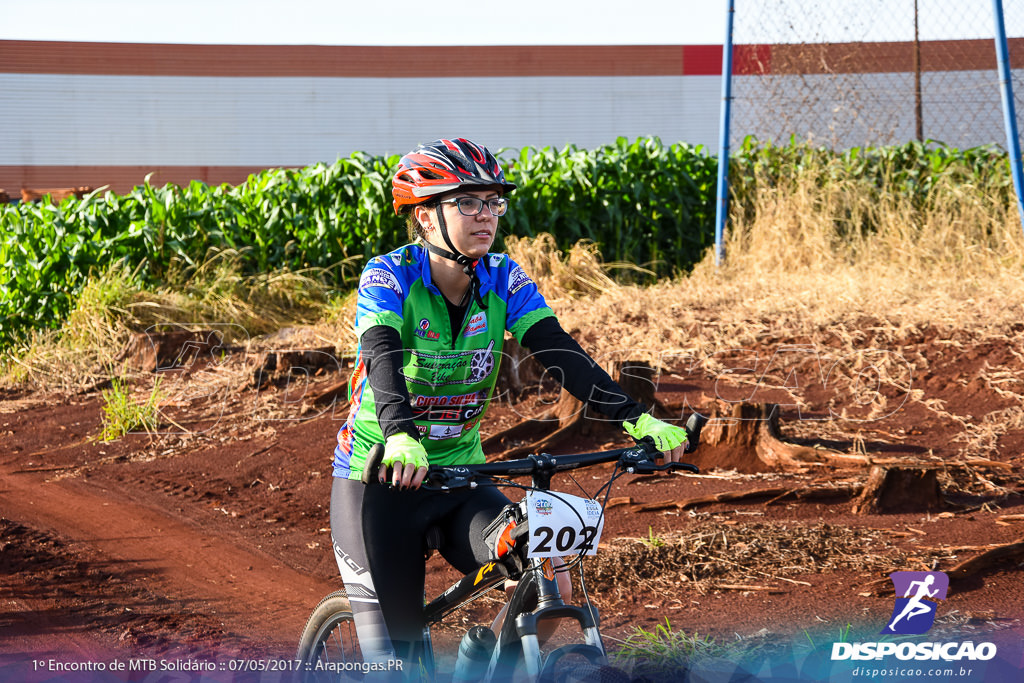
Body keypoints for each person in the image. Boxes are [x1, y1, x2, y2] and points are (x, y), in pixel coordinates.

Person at [329, 137, 689, 670]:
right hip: (379, 479)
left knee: (547, 564)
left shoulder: (504, 277)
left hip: (461, 478)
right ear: (426, 217)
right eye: (467, 202)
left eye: (493, 202)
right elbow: (380, 355)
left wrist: (634, 418)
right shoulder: (389, 276)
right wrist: (400, 433)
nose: (486, 215)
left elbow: (561, 352)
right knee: (397, 662)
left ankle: (488, 665)